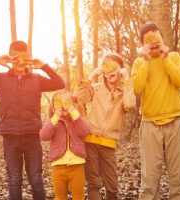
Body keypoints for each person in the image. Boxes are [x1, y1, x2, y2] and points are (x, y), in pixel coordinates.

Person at [0, 40, 65, 200]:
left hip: (32, 136)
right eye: (15, 58)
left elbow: (59, 83)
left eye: (24, 57)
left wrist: (44, 66)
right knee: (14, 180)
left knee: (36, 179)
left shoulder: (37, 79)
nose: (20, 62)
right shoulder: (0, 79)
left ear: (29, 58)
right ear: (10, 58)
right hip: (10, 136)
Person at [131, 22, 180, 200]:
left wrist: (165, 59)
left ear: (163, 39)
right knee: (149, 179)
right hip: (150, 124)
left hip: (175, 122)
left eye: (157, 38)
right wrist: (147, 62)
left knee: (178, 177)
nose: (154, 43)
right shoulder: (139, 62)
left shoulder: (174, 57)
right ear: (142, 44)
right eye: (149, 40)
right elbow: (137, 88)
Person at [76, 53, 136, 200]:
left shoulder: (124, 91)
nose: (110, 72)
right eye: (106, 67)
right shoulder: (95, 88)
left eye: (113, 67)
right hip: (90, 140)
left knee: (112, 185)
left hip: (108, 142)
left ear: (120, 69)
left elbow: (129, 104)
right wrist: (91, 76)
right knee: (93, 183)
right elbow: (77, 98)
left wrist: (127, 79)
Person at [39, 90, 90, 200]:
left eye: (67, 103)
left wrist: (73, 112)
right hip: (58, 166)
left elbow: (85, 131)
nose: (63, 107)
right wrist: (56, 116)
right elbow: (43, 136)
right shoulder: (53, 122)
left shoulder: (77, 120)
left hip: (77, 165)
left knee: (78, 197)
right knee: (60, 197)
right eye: (59, 104)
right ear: (53, 107)